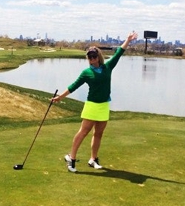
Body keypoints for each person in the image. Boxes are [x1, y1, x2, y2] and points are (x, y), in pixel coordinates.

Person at [52, 31, 138, 172]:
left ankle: (93, 159)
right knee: (83, 132)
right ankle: (71, 158)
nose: (92, 59)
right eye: (89, 57)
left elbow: (119, 53)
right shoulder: (86, 72)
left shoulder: (107, 67)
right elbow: (73, 86)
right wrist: (60, 97)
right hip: (91, 105)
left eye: (94, 56)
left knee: (98, 134)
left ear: (98, 57)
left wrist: (128, 40)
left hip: (104, 105)